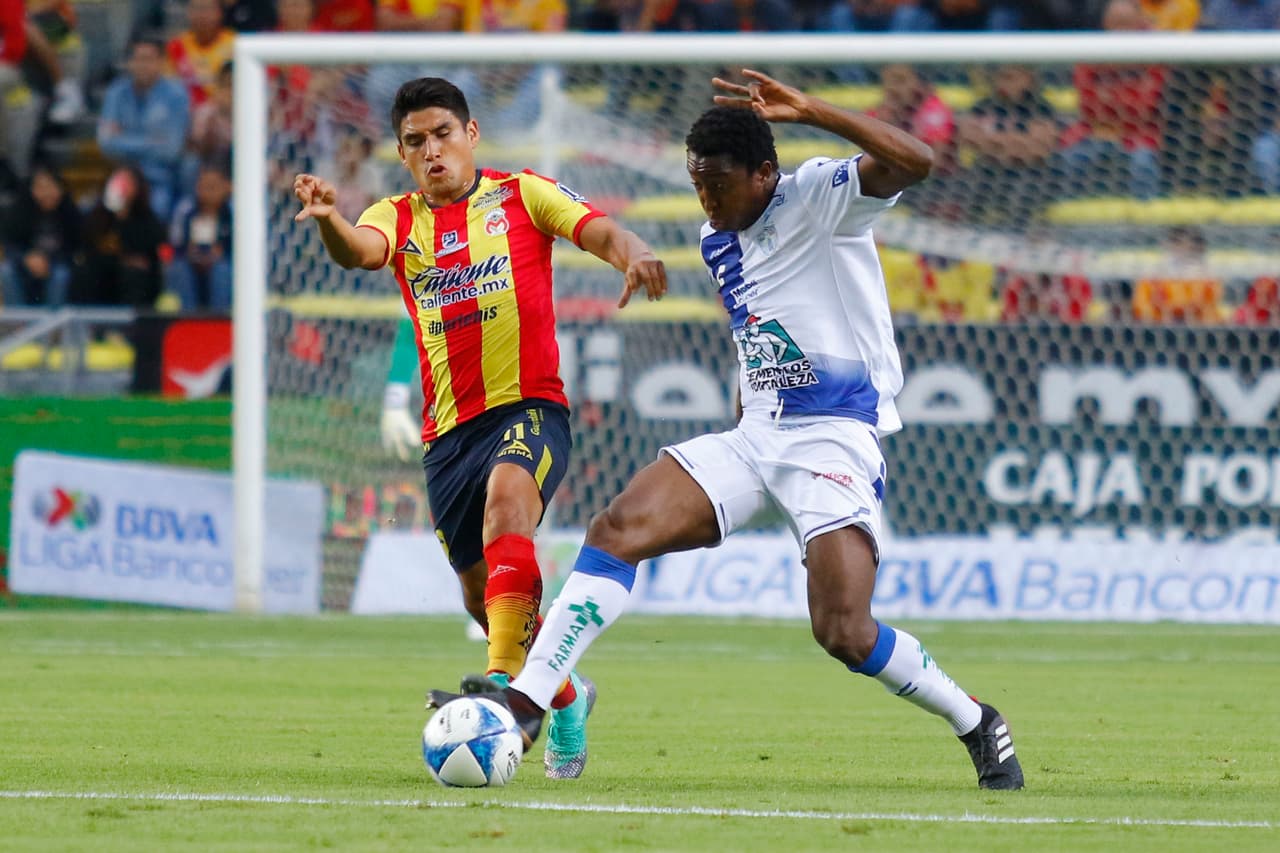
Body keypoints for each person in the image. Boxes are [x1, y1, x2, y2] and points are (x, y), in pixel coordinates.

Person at [430, 69, 1026, 791]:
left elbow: (916, 161)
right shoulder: (716, 235)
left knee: (844, 629)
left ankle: (976, 719)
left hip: (833, 436)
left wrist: (813, 111)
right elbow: (760, 331)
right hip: (756, 435)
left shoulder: (818, 196)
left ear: (764, 174)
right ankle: (527, 699)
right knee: (616, 527)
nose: (706, 197)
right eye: (696, 181)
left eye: (717, 182)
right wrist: (747, 415)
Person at [293, 77, 668, 778]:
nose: (432, 150)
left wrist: (634, 254)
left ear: (470, 135)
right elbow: (359, 250)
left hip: (531, 405)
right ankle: (565, 692)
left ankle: (502, 687)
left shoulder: (523, 193)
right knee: (485, 594)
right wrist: (326, 220)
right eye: (415, 142)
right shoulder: (396, 217)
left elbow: (602, 229)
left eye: (442, 134)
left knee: (507, 507)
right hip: (448, 436)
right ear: (403, 156)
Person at [1, 164, 81, 307]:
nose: (47, 193)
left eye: (51, 187)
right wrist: (26, 258)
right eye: (41, 188)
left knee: (61, 275)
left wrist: (49, 260)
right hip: (25, 266)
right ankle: (18, 321)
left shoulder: (71, 213)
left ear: (61, 188)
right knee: (5, 270)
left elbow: (76, 248)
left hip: (57, 266)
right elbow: (9, 245)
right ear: (32, 189)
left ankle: (54, 324)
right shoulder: (18, 212)